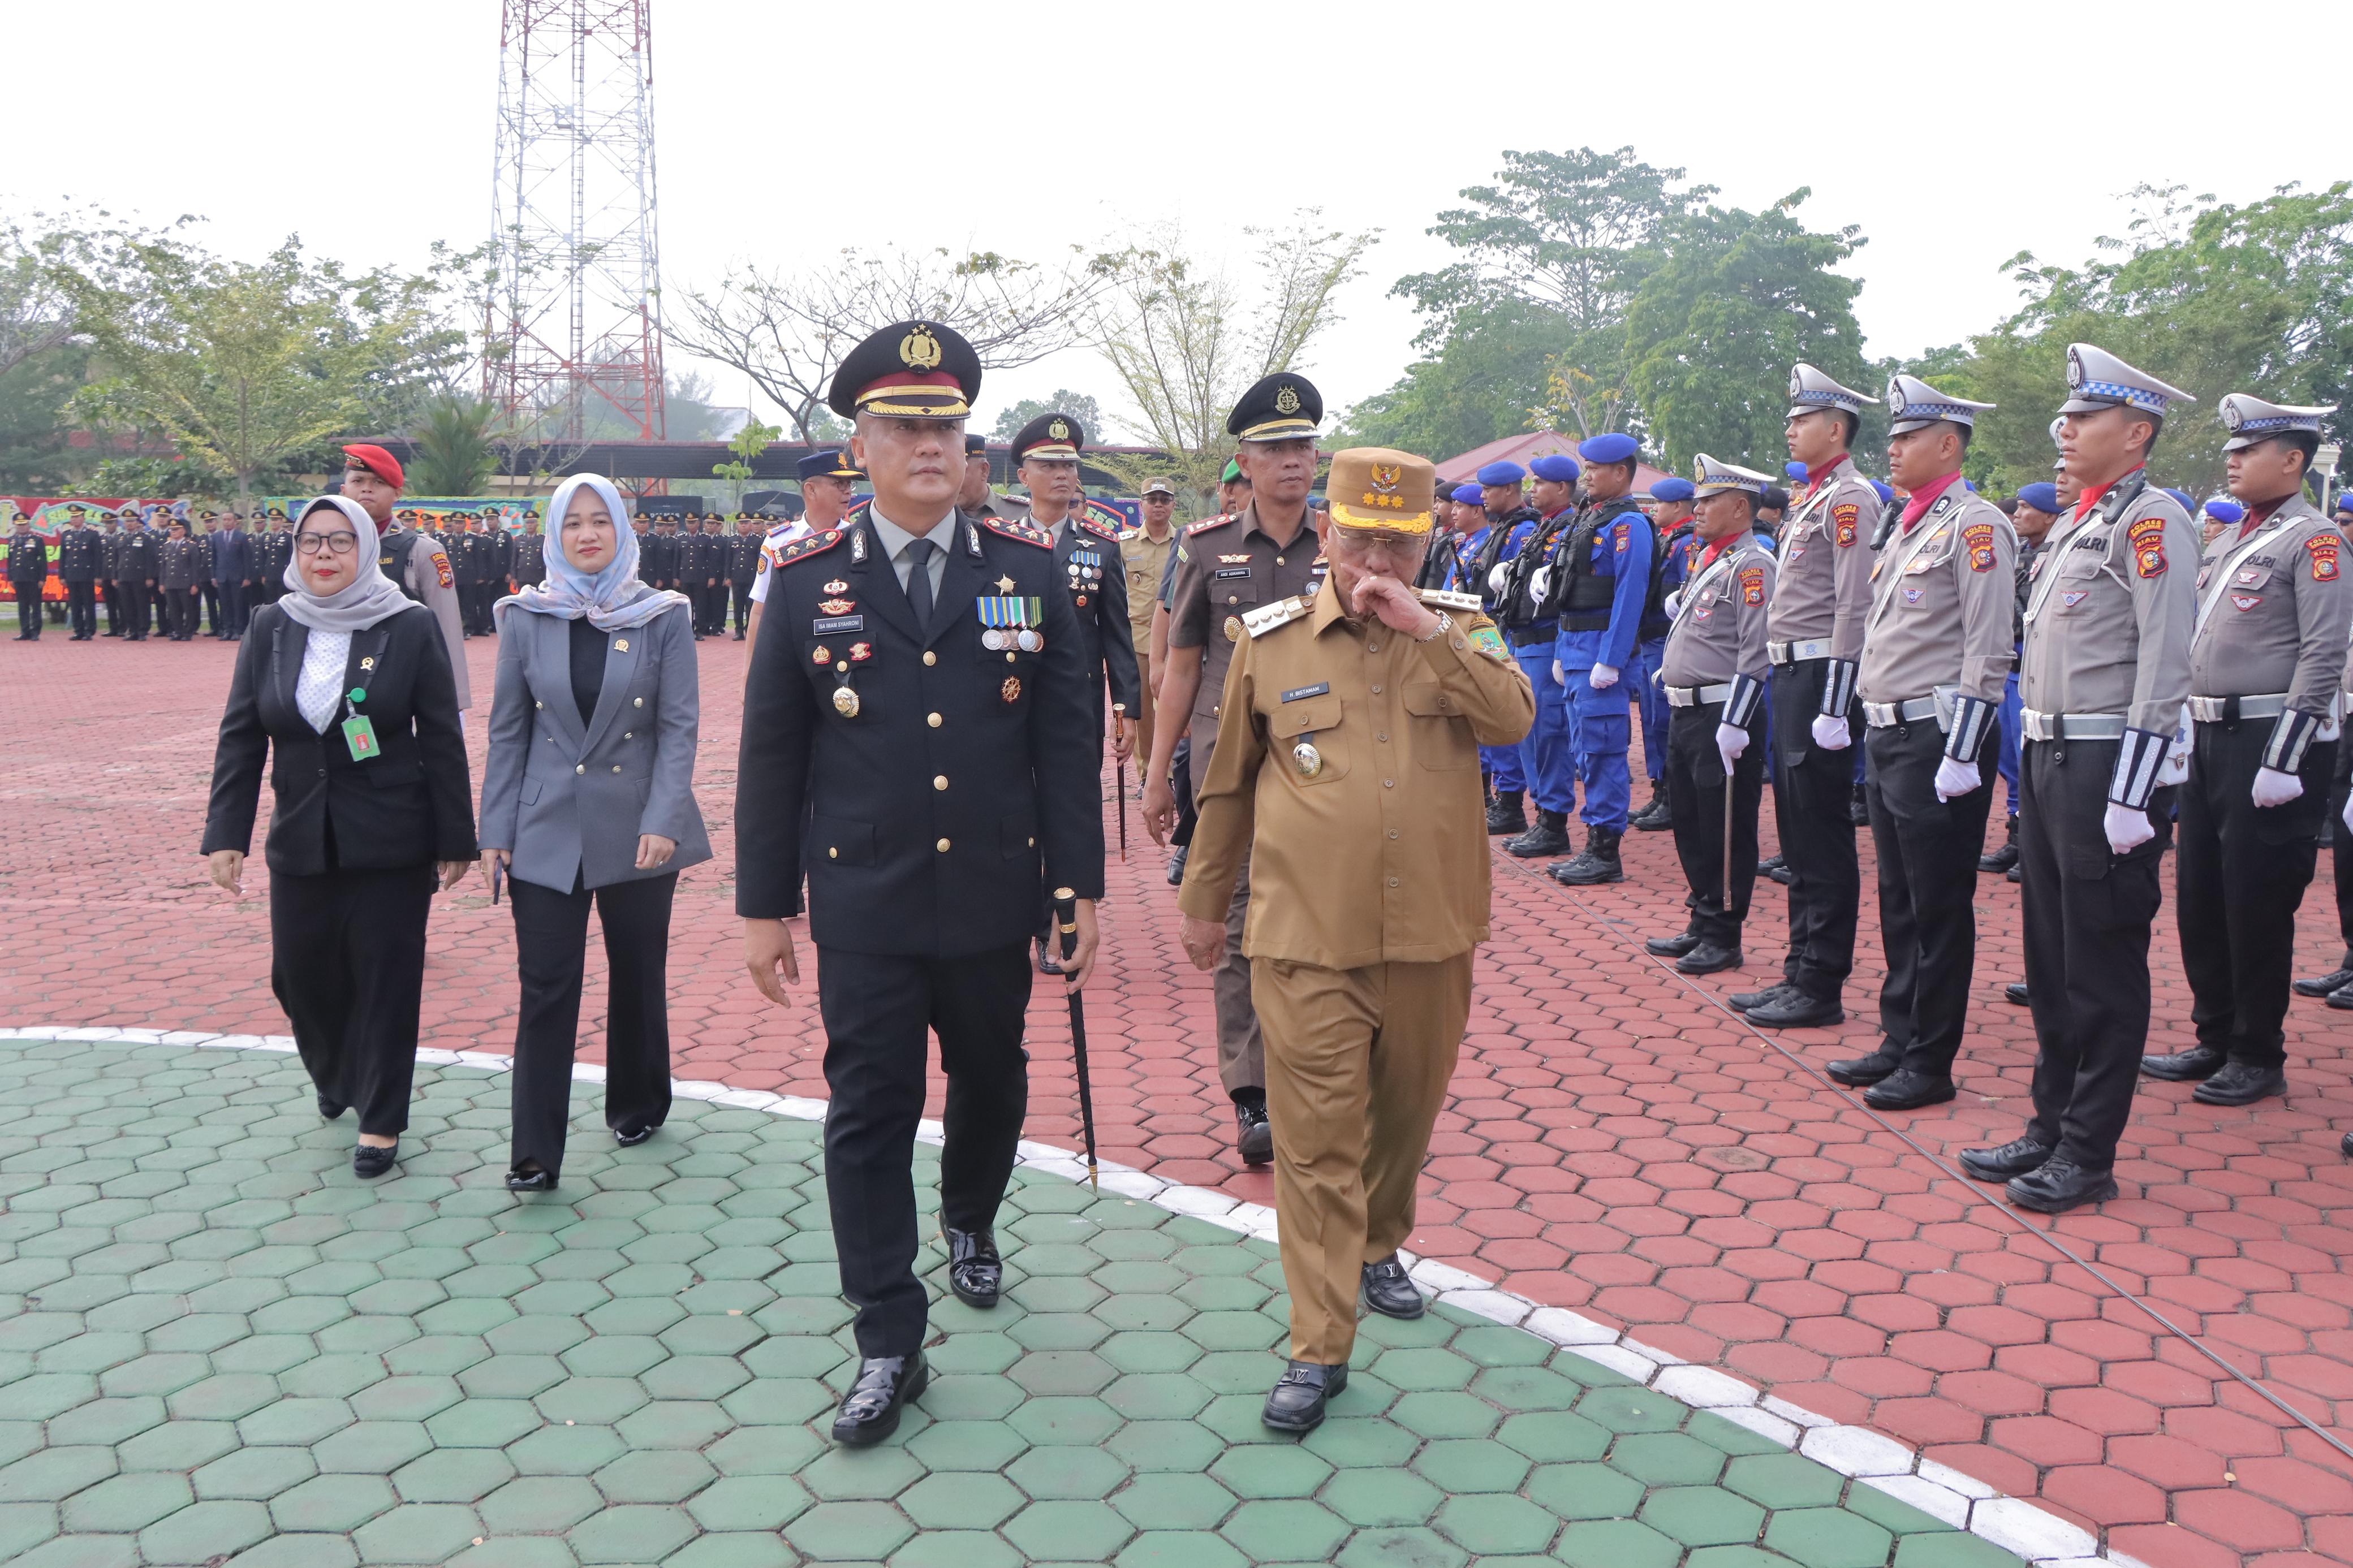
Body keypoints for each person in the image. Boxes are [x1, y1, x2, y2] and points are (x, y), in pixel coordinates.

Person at [736, 320, 1104, 1446]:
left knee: (993, 1079)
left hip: (993, 890)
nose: (929, 443)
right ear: (861, 446)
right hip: (866, 898)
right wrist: (762, 905)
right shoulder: (807, 582)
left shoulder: (1026, 572)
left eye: (946, 424)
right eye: (903, 425)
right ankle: (888, 1336)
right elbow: (772, 754)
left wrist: (1077, 886)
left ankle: (970, 1216)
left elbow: (1065, 745)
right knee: (869, 1110)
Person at [1175, 446, 1533, 1434]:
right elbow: (1229, 783)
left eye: (1400, 542)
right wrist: (1204, 901)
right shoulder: (1270, 640)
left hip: (1431, 936)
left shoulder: (1462, 629)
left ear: (1428, 542)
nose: (1378, 559)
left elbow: (1513, 721)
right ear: (1326, 532)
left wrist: (1427, 631)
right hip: (1305, 938)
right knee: (1315, 1143)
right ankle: (1318, 1343)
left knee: (1402, 1123)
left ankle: (1378, 1239)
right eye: (1361, 537)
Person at [1961, 344, 2199, 1214]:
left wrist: (2136, 792)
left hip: (2106, 765)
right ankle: (2051, 1123)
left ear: (2136, 433)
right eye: (2066, 417)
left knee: (2101, 961)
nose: (2065, 430)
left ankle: (2089, 1151)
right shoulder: (2076, 523)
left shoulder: (2153, 521)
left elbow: (2166, 665)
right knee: (2053, 958)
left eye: (2085, 417)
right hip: (2050, 756)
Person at [200, 495, 476, 1178]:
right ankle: (337, 1071)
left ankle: (380, 1118)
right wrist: (225, 834)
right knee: (299, 975)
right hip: (301, 833)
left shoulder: (407, 624)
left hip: (392, 835)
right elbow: (242, 735)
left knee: (386, 979)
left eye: (340, 541)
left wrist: (455, 837)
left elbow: (441, 736)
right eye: (311, 541)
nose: (324, 554)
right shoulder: (270, 624)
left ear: (366, 549)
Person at [480, 474, 709, 1190]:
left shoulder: (661, 615)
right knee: (546, 984)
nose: (586, 534)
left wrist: (665, 818)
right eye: (573, 522)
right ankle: (533, 1152)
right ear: (554, 534)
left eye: (600, 520)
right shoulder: (526, 616)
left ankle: (637, 1100)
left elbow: (678, 727)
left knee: (636, 970)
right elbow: (507, 733)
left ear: (621, 530)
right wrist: (494, 829)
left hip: (638, 824)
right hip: (543, 826)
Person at [1142, 374, 1333, 1167]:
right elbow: (1181, 668)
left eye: (1302, 446)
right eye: (1274, 448)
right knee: (1241, 926)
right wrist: (1158, 772)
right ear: (1244, 463)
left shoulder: (1341, 545)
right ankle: (1252, 1094)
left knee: (1328, 923)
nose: (1292, 460)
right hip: (1233, 770)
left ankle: (1318, 1077)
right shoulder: (1205, 548)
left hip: (1328, 770)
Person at [2139, 394, 2348, 1106]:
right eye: (2230, 449)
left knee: (2255, 902)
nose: (2230, 461)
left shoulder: (2315, 541)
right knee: (2201, 895)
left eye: (2246, 450)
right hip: (2208, 735)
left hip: (2265, 741)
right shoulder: (2233, 538)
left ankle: (2256, 1051)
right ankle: (2214, 1033)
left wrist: (2283, 758)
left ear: (2291, 460)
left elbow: (2322, 654)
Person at [1822, 375, 2014, 1107]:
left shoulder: (1975, 526)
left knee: (1937, 903)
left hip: (1937, 737)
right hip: (1890, 732)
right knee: (1899, 899)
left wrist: (1963, 751)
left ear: (1947, 445)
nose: (1893, 449)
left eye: (1908, 438)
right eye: (1893, 436)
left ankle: (1930, 1061)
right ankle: (1899, 1037)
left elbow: (1988, 647)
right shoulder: (1907, 524)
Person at [1007, 411, 1140, 970]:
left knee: (1068, 810)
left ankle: (1056, 923)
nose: (1063, 474)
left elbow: (1116, 636)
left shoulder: (1100, 549)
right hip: (1010, 700)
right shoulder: (999, 544)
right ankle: (1013, 916)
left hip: (1077, 705)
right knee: (1015, 810)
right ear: (1023, 476)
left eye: (1069, 465)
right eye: (1049, 465)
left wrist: (1125, 708)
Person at [1645, 457, 1778, 974]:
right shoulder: (1711, 557)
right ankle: (1702, 918)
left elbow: (1756, 651)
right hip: (1687, 712)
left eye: (1708, 501)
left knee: (1725, 827)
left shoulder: (1753, 565)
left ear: (1740, 508)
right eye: (1697, 501)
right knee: (1690, 821)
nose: (1697, 509)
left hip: (1722, 713)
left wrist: (1737, 722)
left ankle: (1724, 934)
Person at [1549, 436, 1658, 885]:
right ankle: (1594, 842)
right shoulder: (1589, 518)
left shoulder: (1629, 525)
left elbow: (1630, 596)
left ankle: (1605, 850)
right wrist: (1561, 650)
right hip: (1576, 650)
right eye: (1587, 467)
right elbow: (1570, 592)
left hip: (1600, 656)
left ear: (1621, 473)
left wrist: (1612, 658)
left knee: (1604, 750)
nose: (1588, 475)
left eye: (1596, 469)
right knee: (1583, 749)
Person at [1489, 454, 1581, 859]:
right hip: (1524, 639)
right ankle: (1542, 814)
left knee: (1548, 733)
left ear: (1561, 488)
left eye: (1540, 483)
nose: (1533, 490)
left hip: (1546, 642)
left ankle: (1554, 821)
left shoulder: (1569, 528)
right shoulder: (1545, 527)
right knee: (1527, 729)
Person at [339, 446, 470, 719]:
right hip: (340, 686)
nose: (367, 489)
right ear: (343, 490)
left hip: (402, 688)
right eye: (358, 481)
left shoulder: (422, 550)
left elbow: (446, 628)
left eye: (378, 482)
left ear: (397, 493)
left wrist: (452, 703)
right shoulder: (328, 549)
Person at [1464, 463, 1545, 836]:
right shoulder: (1505, 528)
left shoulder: (1524, 530)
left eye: (1488, 490)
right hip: (1489, 626)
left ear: (1509, 491)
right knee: (1486, 705)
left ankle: (1511, 801)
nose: (1482, 496)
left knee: (1502, 705)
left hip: (1505, 629)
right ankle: (1504, 797)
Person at [1631, 476, 1699, 831]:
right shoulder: (1666, 538)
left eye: (1659, 504)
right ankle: (1660, 791)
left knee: (1663, 718)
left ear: (1677, 506)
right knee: (1651, 718)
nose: (1654, 509)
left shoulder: (1688, 541)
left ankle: (1673, 797)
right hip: (1651, 639)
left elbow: (1685, 590)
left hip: (1666, 640)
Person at [745, 450, 860, 659]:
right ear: (811, 490)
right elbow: (759, 610)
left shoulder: (858, 538)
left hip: (849, 652)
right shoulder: (779, 541)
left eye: (849, 484)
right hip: (794, 653)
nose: (848, 492)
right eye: (838, 484)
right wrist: (749, 672)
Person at [1122, 476, 1180, 784]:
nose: (1159, 505)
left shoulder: (1186, 541)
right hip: (1139, 640)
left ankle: (1174, 772)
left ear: (1173, 505)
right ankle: (1148, 774)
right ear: (1141, 504)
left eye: (1165, 500)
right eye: (1152, 500)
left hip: (1178, 641)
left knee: (1176, 709)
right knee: (1143, 712)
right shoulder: (1125, 545)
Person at [54, 506, 100, 641]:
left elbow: (98, 557)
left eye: (77, 517)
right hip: (71, 575)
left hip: (87, 575)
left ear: (83, 519)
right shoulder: (66, 535)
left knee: (88, 604)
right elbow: (63, 557)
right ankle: (78, 630)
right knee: (75, 604)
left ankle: (89, 630)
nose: (74, 519)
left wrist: (98, 575)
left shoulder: (92, 535)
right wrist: (62, 575)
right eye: (72, 517)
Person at [158, 517, 206, 640]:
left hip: (186, 583)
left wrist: (195, 584)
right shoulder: (167, 546)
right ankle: (178, 631)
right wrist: (162, 583)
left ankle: (188, 632)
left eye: (176, 529)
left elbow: (195, 567)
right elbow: (163, 566)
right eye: (172, 530)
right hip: (170, 583)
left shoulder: (191, 546)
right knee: (173, 610)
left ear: (183, 531)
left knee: (188, 609)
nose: (173, 532)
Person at [117, 510, 160, 642]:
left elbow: (151, 558)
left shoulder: (145, 538)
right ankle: (133, 630)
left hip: (140, 577)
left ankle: (142, 630)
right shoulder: (120, 538)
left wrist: (149, 576)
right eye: (127, 521)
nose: (129, 524)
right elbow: (116, 558)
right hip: (124, 576)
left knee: (142, 605)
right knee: (127, 605)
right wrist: (115, 576)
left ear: (137, 523)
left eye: (132, 521)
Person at [6, 515, 47, 640]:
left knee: (35, 606)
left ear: (29, 525)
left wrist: (42, 579)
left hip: (33, 578)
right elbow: (10, 561)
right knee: (22, 606)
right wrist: (11, 578)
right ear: (15, 526)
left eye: (24, 524)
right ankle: (25, 632)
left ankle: (35, 632)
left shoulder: (36, 540)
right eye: (19, 525)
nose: (21, 527)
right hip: (19, 578)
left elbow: (43, 561)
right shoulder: (12, 540)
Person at [957, 432, 1004, 519]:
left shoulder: (1019, 513)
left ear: (984, 470)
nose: (953, 481)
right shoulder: (936, 516)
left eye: (960, 471)